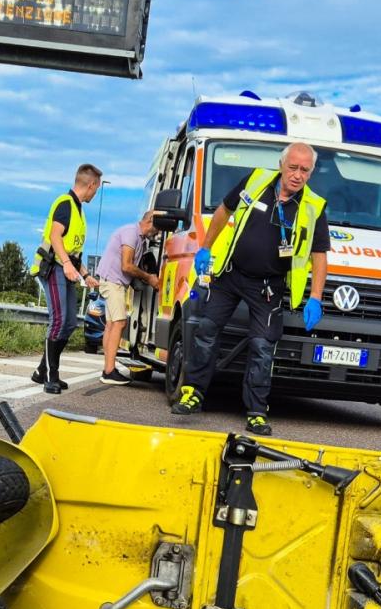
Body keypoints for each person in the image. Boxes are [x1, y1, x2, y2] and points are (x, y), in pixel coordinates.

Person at [170, 143, 329, 435]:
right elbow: (224, 210)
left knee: (262, 347)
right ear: (282, 165)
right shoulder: (256, 180)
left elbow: (319, 255)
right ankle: (192, 393)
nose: (298, 175)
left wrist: (315, 297)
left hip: (268, 287)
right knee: (206, 330)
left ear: (311, 172)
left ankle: (256, 412)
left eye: (305, 170)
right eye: (293, 167)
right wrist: (205, 247)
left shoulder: (313, 206)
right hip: (231, 275)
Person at [32, 163, 102, 393]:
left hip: (66, 268)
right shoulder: (65, 203)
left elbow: (73, 250)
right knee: (59, 320)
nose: (95, 193)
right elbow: (55, 236)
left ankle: (42, 370)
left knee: (70, 322)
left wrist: (86, 275)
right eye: (96, 189)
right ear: (91, 185)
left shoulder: (78, 210)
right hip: (53, 268)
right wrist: (68, 264)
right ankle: (50, 376)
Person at [91, 210, 161, 384]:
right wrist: (149, 278)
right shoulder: (131, 233)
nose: (159, 232)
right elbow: (126, 266)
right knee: (120, 323)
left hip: (113, 282)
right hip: (113, 282)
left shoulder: (140, 239)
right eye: (158, 227)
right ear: (150, 221)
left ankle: (107, 369)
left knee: (111, 324)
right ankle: (109, 371)